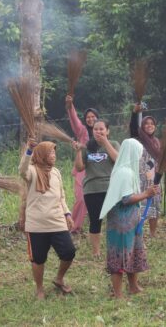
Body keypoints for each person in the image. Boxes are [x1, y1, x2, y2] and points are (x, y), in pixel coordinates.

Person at [99, 138, 159, 298]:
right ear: (132, 153)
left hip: (131, 220)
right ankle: (118, 293)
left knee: (133, 252)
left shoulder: (129, 171)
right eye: (138, 153)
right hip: (121, 223)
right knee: (119, 256)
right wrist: (146, 194)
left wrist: (148, 192)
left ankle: (133, 286)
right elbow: (126, 199)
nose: (140, 157)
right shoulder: (123, 173)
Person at [18, 140, 76, 300]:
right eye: (51, 153)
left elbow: (61, 196)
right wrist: (29, 150)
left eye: (54, 152)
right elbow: (21, 169)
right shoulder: (32, 171)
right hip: (36, 224)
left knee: (69, 252)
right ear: (42, 155)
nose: (54, 155)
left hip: (57, 221)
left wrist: (67, 214)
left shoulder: (56, 172)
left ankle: (59, 278)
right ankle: (39, 289)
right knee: (38, 258)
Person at [74, 119, 120, 258]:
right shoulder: (87, 147)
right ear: (92, 131)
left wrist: (105, 142)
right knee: (95, 220)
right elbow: (79, 167)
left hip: (111, 188)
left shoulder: (114, 144)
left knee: (115, 220)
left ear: (108, 131)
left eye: (101, 129)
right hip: (92, 189)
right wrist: (78, 152)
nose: (98, 132)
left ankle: (115, 249)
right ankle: (96, 252)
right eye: (95, 129)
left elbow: (118, 160)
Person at [65, 95, 100, 234]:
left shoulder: (101, 131)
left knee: (96, 199)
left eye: (93, 117)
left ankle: (95, 225)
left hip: (98, 170)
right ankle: (73, 227)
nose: (90, 119)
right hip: (82, 169)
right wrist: (70, 106)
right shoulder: (83, 131)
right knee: (81, 198)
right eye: (88, 118)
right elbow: (74, 121)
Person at [129, 103, 161, 237]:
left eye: (152, 124)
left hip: (155, 176)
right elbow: (132, 127)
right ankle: (138, 231)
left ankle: (153, 233)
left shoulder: (157, 141)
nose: (149, 125)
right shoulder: (138, 138)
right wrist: (135, 113)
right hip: (140, 176)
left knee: (155, 204)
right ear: (142, 126)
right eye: (146, 123)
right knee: (139, 204)